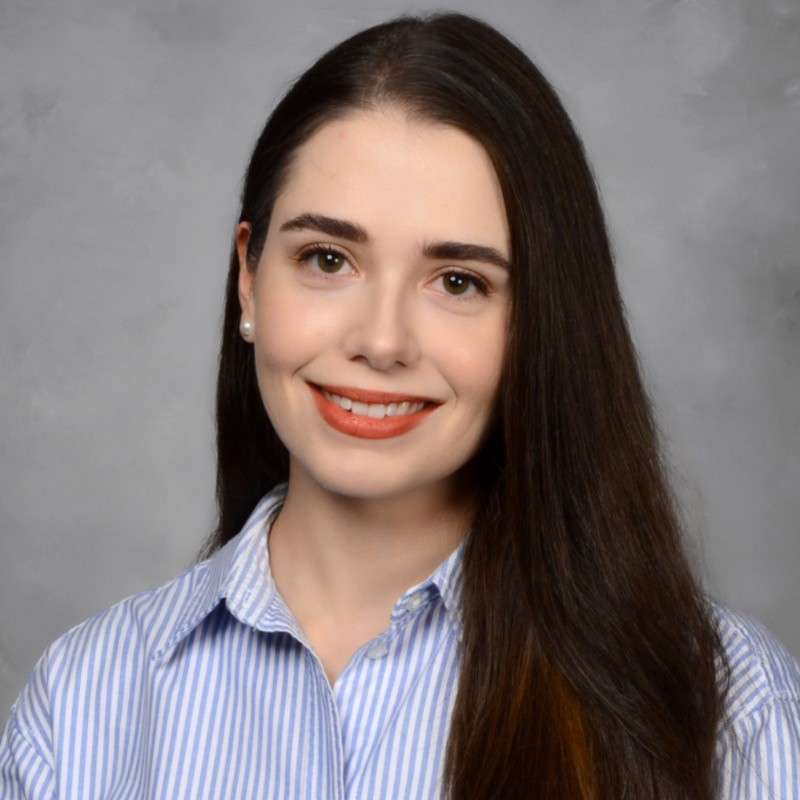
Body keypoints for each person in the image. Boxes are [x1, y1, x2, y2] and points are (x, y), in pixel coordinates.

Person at [2, 11, 799, 800]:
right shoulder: (81, 703)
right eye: (327, 259)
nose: (381, 342)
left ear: (539, 321)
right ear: (248, 278)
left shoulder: (730, 710)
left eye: (458, 281)